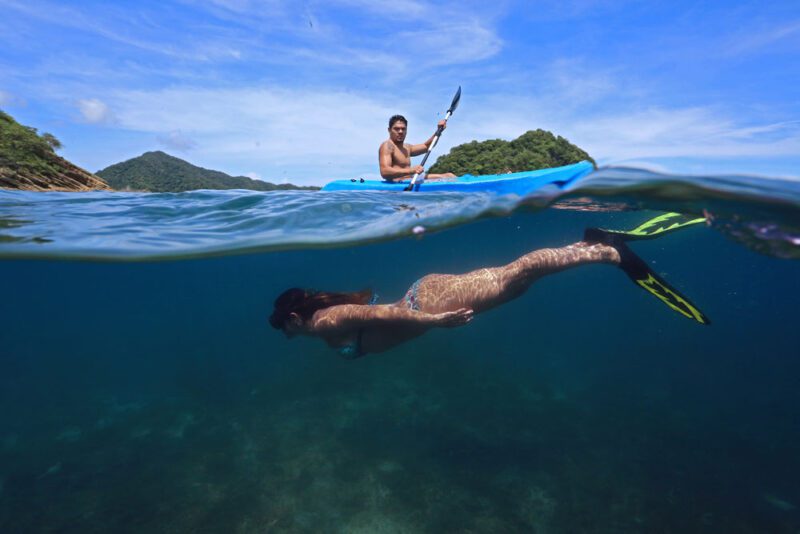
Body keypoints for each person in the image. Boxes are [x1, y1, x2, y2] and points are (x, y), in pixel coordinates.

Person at [269, 213, 710, 359]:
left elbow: (381, 314)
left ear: (293, 318)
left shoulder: (327, 322)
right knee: (515, 281)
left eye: (283, 329)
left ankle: (603, 250)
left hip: (429, 302)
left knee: (515, 275)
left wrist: (434, 322)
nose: (286, 336)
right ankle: (590, 246)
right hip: (426, 295)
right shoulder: (324, 327)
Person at [379, 115, 457, 182]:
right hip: (397, 187)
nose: (400, 131)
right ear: (389, 130)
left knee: (449, 175)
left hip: (411, 179)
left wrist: (439, 131)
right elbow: (385, 172)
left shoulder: (407, 147)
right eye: (396, 129)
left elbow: (427, 146)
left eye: (403, 129)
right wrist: (411, 170)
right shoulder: (387, 146)